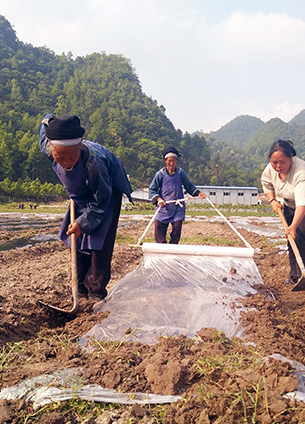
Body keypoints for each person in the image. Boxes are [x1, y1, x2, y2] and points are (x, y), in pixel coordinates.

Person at [38, 113, 133, 302]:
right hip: (80, 193)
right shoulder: (47, 148)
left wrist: (83, 222)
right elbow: (43, 126)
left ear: (80, 146)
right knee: (76, 237)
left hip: (106, 191)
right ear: (50, 145)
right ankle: (79, 288)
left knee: (99, 239)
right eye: (60, 157)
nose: (66, 162)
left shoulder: (94, 163)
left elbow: (100, 202)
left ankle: (96, 291)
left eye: (71, 156)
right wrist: (48, 119)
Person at [261, 139, 305, 284]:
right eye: (274, 163)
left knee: (299, 235)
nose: (278, 166)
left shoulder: (301, 173)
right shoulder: (270, 169)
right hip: (290, 202)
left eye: (282, 162)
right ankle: (294, 277)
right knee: (290, 238)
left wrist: (294, 226)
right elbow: (266, 183)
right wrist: (272, 200)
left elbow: (302, 204)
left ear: (291, 157)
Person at [148, 145, 206, 244]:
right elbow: (152, 190)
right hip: (163, 207)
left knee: (177, 229)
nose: (171, 163)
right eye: (169, 161)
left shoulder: (180, 173)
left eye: (174, 160)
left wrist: (198, 193)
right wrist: (158, 199)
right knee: (159, 229)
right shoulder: (160, 174)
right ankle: (162, 249)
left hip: (177, 208)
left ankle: (173, 248)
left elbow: (189, 186)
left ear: (177, 161)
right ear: (165, 161)